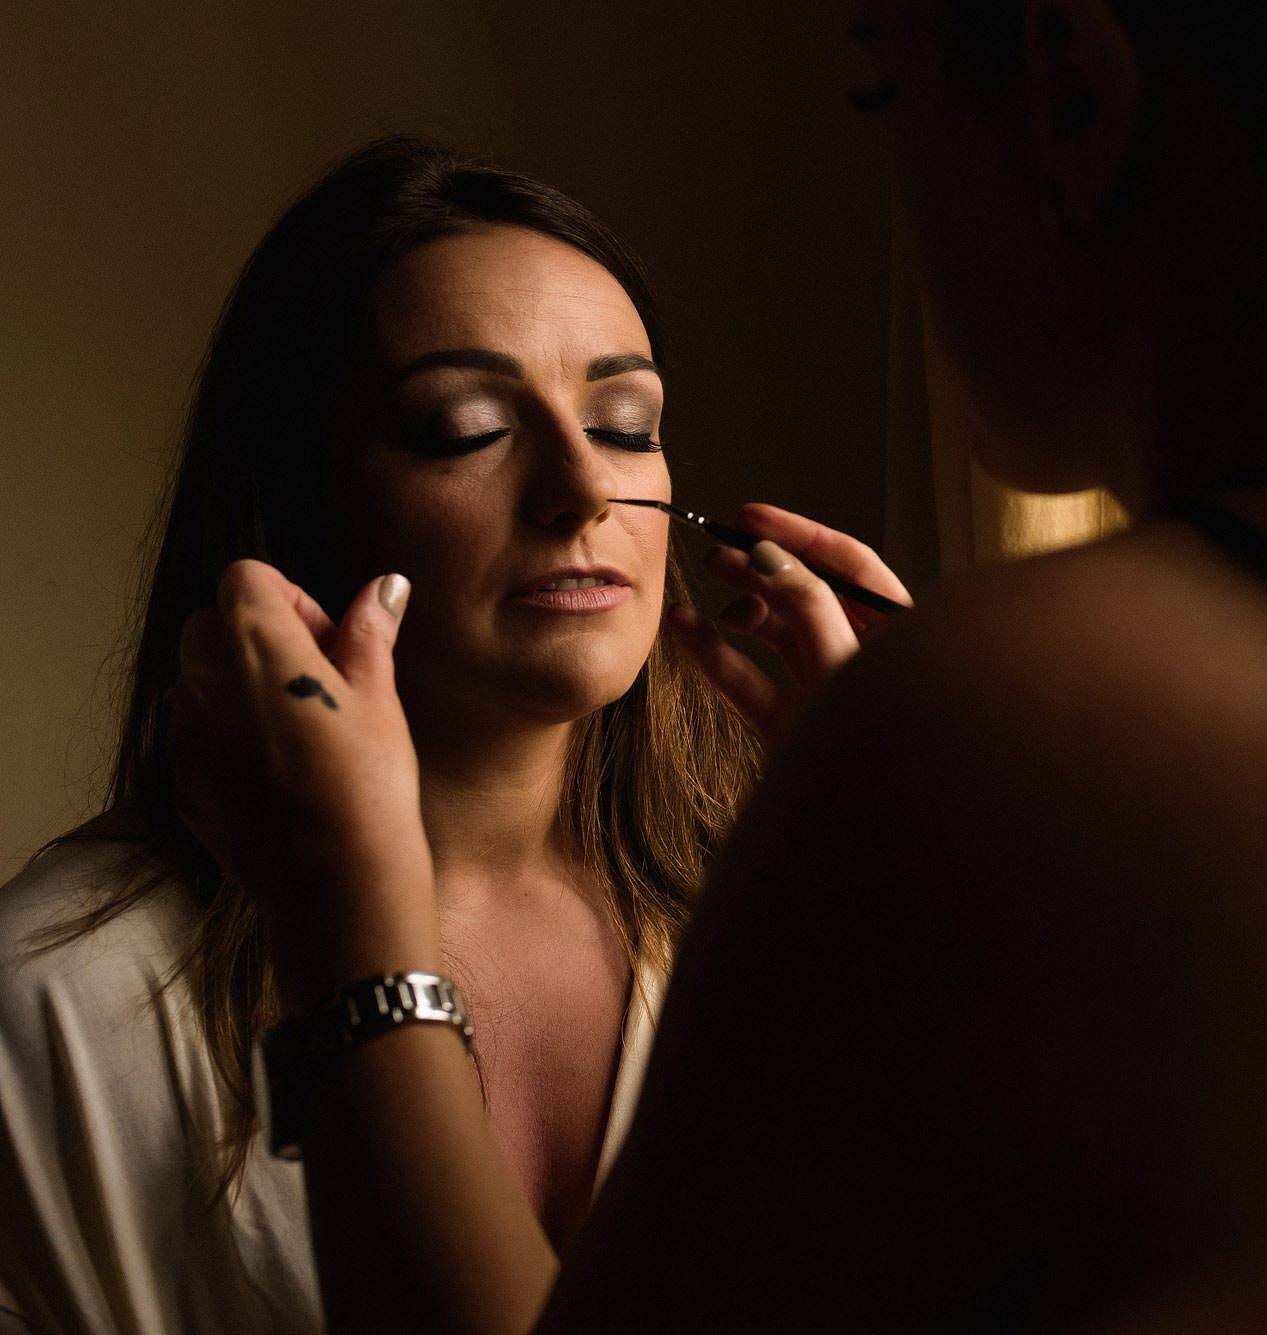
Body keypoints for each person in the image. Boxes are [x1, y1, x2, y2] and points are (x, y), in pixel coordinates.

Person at [165, 6, 1267, 1332]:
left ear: (1072, 89)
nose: (895, 192)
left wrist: (355, 923)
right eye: (459, 426)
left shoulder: (1060, 693)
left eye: (882, 96)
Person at [0, 135, 906, 1335]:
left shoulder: (795, 914)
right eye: (466, 427)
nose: (581, 492)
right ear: (296, 501)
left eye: (627, 422)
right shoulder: (53, 1009)